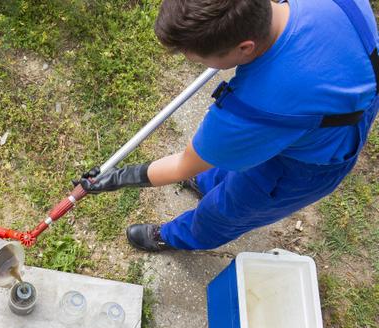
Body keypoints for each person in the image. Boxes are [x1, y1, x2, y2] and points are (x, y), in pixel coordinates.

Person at [75, 0, 379, 251]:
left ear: (245, 47)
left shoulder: (250, 111)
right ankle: (207, 182)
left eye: (195, 57)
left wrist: (117, 178)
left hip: (307, 165)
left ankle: (175, 236)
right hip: (347, 96)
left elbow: (183, 164)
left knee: (226, 212)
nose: (192, 61)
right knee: (222, 166)